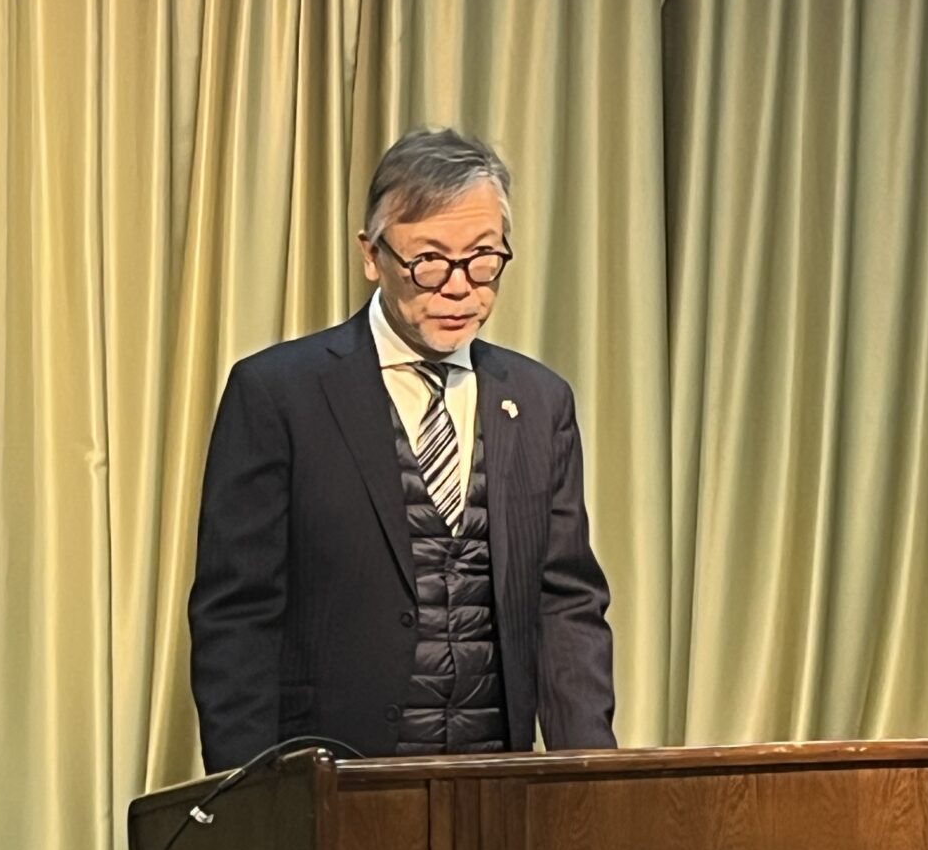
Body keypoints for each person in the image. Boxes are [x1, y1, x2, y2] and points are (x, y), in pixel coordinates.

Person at [188, 127, 615, 770]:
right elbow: (236, 617)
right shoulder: (279, 395)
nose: (460, 287)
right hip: (333, 779)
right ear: (372, 255)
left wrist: (593, 781)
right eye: (429, 261)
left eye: (483, 258)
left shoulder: (538, 401)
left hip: (495, 782)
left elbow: (568, 607)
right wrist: (253, 797)